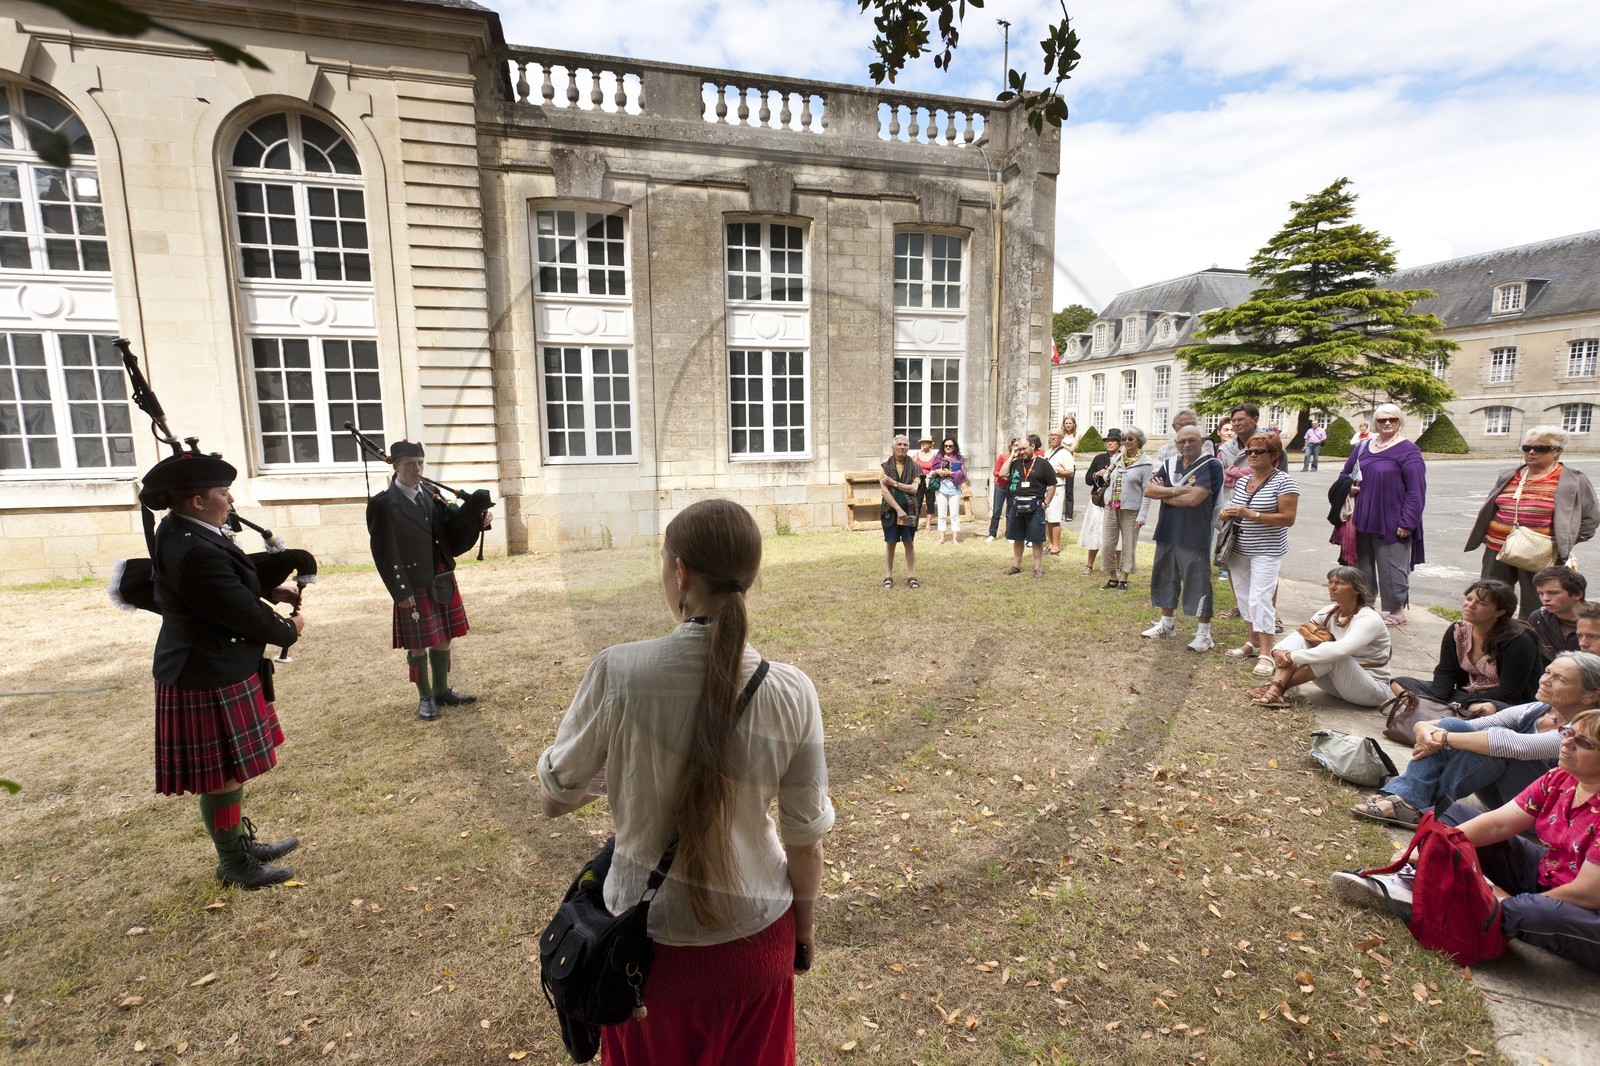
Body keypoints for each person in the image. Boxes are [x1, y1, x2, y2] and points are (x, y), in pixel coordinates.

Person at [537, 499, 834, 1060]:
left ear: (680, 573)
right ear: (750, 576)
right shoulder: (793, 691)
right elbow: (806, 842)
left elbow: (554, 797)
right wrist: (803, 932)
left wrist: (615, 769)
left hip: (642, 958)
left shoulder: (618, 672)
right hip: (759, 946)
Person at [141, 449, 307, 889]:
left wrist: (268, 588)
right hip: (206, 672)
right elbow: (237, 610)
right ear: (198, 501)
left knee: (228, 773)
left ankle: (237, 845)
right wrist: (287, 629)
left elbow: (222, 588)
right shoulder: (193, 547)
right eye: (223, 492)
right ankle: (234, 862)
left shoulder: (184, 529)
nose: (231, 499)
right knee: (223, 777)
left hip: (211, 663)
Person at [1336, 707, 1600, 974]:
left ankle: (1454, 900)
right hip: (1549, 875)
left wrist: (1505, 899)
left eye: (1582, 742)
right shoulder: (1560, 779)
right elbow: (1499, 823)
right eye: (1567, 733)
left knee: (1530, 912)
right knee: (1454, 815)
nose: (1566, 742)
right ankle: (1433, 884)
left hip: (1587, 908)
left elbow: (1587, 893)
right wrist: (1434, 847)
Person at [1351, 652, 1600, 828]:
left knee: (1498, 745)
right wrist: (1423, 727)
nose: (1545, 680)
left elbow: (1515, 745)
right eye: (1547, 672)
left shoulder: (1585, 730)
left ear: (1590, 696)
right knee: (1455, 725)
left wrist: (1444, 738)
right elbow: (1470, 726)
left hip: (1543, 812)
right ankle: (1409, 797)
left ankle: (1418, 806)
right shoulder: (1538, 710)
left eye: (1560, 679)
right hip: (1503, 797)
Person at [367, 440, 492, 720]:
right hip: (412, 580)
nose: (417, 469)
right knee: (418, 643)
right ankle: (425, 696)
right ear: (395, 466)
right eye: (410, 464)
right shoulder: (382, 504)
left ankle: (441, 691)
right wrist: (400, 590)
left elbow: (449, 526)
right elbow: (384, 553)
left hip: (440, 573)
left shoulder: (430, 493)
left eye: (420, 463)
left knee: (444, 634)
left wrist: (478, 518)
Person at [1466, 425, 1599, 618]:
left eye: (1541, 448)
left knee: (1536, 604)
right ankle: (1494, 634)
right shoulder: (1509, 475)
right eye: (1527, 448)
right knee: (1491, 598)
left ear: (1557, 451)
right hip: (1497, 547)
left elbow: (1590, 518)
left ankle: (1529, 635)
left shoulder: (1573, 479)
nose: (1531, 452)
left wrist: (1563, 541)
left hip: (1540, 552)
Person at [1390, 580, 1542, 716]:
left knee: (1485, 709)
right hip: (1466, 695)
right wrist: (1436, 700)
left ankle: (1441, 715)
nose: (1470, 605)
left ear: (1499, 612)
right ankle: (1441, 714)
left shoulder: (1518, 641)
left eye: (1481, 603)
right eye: (1469, 599)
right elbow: (1446, 671)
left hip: (1505, 703)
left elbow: (1509, 691)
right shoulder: (1459, 630)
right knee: (1399, 684)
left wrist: (1460, 704)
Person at [1246, 567, 1391, 708]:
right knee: (1305, 638)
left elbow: (1341, 650)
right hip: (1337, 685)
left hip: (1370, 691)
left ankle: (1274, 689)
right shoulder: (1330, 612)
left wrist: (1293, 656)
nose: (1332, 587)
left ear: (1357, 589)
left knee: (1332, 653)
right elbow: (1300, 635)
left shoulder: (1369, 619)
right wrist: (1278, 651)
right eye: (1330, 582)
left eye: (1339, 583)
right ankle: (1276, 690)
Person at [1218, 433, 1300, 676]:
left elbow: (1288, 518)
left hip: (1267, 550)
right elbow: (1235, 505)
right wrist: (1226, 511)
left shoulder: (1284, 482)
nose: (1252, 455)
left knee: (1260, 599)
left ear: (1274, 455)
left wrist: (1251, 514)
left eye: (1258, 452)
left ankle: (1266, 652)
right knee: (1244, 597)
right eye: (1249, 451)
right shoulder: (1244, 480)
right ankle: (1252, 642)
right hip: (1239, 548)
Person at [1338, 403, 1427, 627]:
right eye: (1382, 419)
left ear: (1400, 422)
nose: (1387, 423)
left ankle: (1397, 610)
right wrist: (1348, 487)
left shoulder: (1408, 450)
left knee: (1392, 567)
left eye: (1392, 419)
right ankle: (1365, 606)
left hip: (1392, 519)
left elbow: (1416, 490)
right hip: (1362, 516)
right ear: (1375, 423)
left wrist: (1408, 522)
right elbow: (1345, 474)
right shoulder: (1363, 447)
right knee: (1363, 566)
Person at [1140, 425, 1223, 651]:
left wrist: (1164, 494)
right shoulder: (1170, 463)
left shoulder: (1211, 465)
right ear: (1176, 444)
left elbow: (1194, 499)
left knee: (1198, 580)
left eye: (1191, 440)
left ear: (1202, 441)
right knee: (1166, 576)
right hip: (1167, 530)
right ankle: (1167, 624)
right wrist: (1177, 491)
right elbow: (1148, 491)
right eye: (1182, 441)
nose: (1186, 444)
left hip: (1194, 532)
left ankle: (1204, 634)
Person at [1099, 427, 1154, 591]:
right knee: (1107, 544)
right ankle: (1112, 577)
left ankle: (1123, 578)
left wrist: (1142, 516)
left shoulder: (1146, 463)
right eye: (1124, 439)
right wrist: (1109, 470)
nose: (1127, 442)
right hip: (1111, 506)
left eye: (1131, 439)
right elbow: (1106, 479)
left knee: (1129, 546)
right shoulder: (1117, 458)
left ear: (1139, 441)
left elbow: (1147, 492)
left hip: (1131, 510)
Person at [1004, 433, 1057, 578]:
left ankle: (1037, 569)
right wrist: (1012, 456)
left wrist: (1045, 503)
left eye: (1024, 449)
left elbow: (1052, 485)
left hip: (1036, 506)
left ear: (1033, 446)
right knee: (1017, 537)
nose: (1021, 452)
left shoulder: (1043, 464)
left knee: (1036, 539)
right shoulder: (1015, 463)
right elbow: (1002, 473)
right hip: (1016, 505)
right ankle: (1016, 566)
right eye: (1019, 449)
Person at [878, 434, 923, 589]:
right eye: (899, 444)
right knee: (890, 543)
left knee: (909, 542)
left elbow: (914, 489)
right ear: (893, 447)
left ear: (908, 448)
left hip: (909, 511)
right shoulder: (884, 467)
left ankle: (911, 576)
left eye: (905, 445)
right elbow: (885, 491)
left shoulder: (916, 467)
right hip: (890, 512)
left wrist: (894, 483)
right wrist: (898, 509)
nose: (902, 447)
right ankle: (888, 576)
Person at [1080, 429, 1120, 575]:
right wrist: (1096, 474)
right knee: (1095, 531)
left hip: (1116, 500)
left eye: (1113, 440)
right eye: (1107, 440)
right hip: (1099, 501)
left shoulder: (1123, 459)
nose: (1109, 443)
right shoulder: (1099, 458)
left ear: (1119, 443)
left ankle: (1117, 566)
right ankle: (1089, 565)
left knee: (1117, 534)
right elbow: (1087, 480)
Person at [1528, 566, 1587, 664]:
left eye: (1553, 593)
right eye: (1540, 593)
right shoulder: (1538, 618)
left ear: (1577, 595)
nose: (1545, 598)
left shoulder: (1595, 621)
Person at [930, 436, 968, 545]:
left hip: (955, 489)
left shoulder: (959, 459)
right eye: (946, 445)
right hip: (941, 489)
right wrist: (937, 472)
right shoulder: (938, 458)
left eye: (950, 446)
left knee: (954, 514)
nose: (948, 447)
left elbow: (963, 474)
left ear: (954, 447)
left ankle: (955, 539)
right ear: (943, 446)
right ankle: (942, 538)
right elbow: (931, 472)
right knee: (941, 514)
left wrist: (950, 473)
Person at [1043, 428, 1075, 554]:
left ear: (1061, 438)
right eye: (1051, 435)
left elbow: (1070, 472)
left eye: (1056, 435)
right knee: (1047, 518)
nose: (1052, 437)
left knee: (1054, 519)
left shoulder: (1065, 453)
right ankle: (1050, 544)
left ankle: (1056, 547)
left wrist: (1055, 471)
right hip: (1046, 488)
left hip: (1057, 488)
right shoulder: (1048, 452)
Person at [986, 436, 1020, 542]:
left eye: (1018, 446)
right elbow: (995, 471)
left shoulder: (1020, 459)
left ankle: (1009, 535)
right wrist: (1003, 476)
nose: (1017, 448)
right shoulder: (1003, 457)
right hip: (1001, 486)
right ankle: (992, 534)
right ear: (1011, 446)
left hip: (1012, 487)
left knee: (1010, 512)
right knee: (996, 511)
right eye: (1015, 445)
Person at [913, 435, 939, 532]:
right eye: (923, 442)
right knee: (916, 502)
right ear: (921, 443)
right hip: (918, 480)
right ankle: (914, 525)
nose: (925, 443)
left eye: (927, 442)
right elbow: (911, 467)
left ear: (930, 444)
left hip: (929, 480)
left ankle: (928, 525)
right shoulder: (916, 454)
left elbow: (937, 468)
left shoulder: (934, 456)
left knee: (930, 502)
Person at [1058, 416, 1080, 522]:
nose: (1068, 425)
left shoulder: (1076, 435)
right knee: (1058, 488)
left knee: (1069, 491)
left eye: (1070, 423)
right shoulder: (1060, 435)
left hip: (1070, 465)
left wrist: (1061, 444)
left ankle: (1068, 514)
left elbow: (1072, 449)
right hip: (1059, 464)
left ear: (1073, 424)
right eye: (1066, 423)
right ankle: (1059, 512)